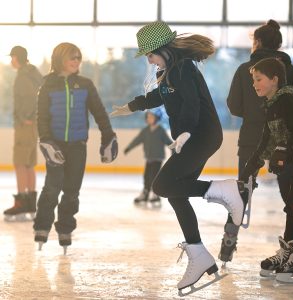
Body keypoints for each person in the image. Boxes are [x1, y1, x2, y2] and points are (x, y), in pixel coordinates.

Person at [110, 21, 249, 292]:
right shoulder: (169, 72)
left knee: (161, 185)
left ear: (163, 49)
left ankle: (225, 190)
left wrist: (184, 131)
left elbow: (192, 103)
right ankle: (198, 254)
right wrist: (132, 106)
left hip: (201, 134)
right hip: (195, 136)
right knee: (174, 193)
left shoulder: (183, 68)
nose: (149, 60)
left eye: (149, 54)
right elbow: (157, 98)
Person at [220, 19, 293, 265]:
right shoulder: (290, 70)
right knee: (291, 195)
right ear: (279, 44)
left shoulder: (245, 68)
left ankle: (228, 245)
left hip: (255, 137)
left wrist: (255, 115)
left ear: (257, 42)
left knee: (242, 191)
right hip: (285, 140)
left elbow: (233, 106)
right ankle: (292, 242)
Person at [33, 42, 118, 254]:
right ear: (60, 59)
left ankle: (65, 229)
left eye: (78, 58)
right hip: (56, 146)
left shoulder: (85, 84)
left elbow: (99, 112)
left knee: (71, 191)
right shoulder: (47, 85)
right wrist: (45, 140)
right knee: (51, 189)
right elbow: (41, 117)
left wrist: (108, 135)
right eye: (72, 57)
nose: (76, 61)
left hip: (78, 146)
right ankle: (42, 226)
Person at [241, 57, 293, 282]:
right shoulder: (272, 103)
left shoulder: (286, 100)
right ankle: (290, 249)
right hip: (287, 166)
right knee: (290, 207)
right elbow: (267, 139)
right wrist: (251, 165)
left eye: (259, 79)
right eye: (253, 80)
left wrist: (284, 149)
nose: (254, 84)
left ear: (274, 80)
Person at [3, 46, 43, 222]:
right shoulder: (32, 73)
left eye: (12, 57)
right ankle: (30, 203)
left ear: (16, 58)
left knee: (19, 163)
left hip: (25, 125)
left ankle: (21, 202)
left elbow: (29, 97)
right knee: (28, 164)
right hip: (33, 125)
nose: (11, 61)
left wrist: (25, 117)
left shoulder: (22, 76)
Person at [124, 109, 172, 207]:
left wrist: (174, 150)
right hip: (149, 158)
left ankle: (155, 194)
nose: (149, 119)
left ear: (157, 118)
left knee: (154, 177)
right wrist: (129, 147)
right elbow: (137, 140)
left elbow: (168, 142)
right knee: (146, 176)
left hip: (158, 158)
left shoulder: (161, 130)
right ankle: (145, 193)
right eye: (148, 117)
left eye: (151, 117)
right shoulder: (145, 131)